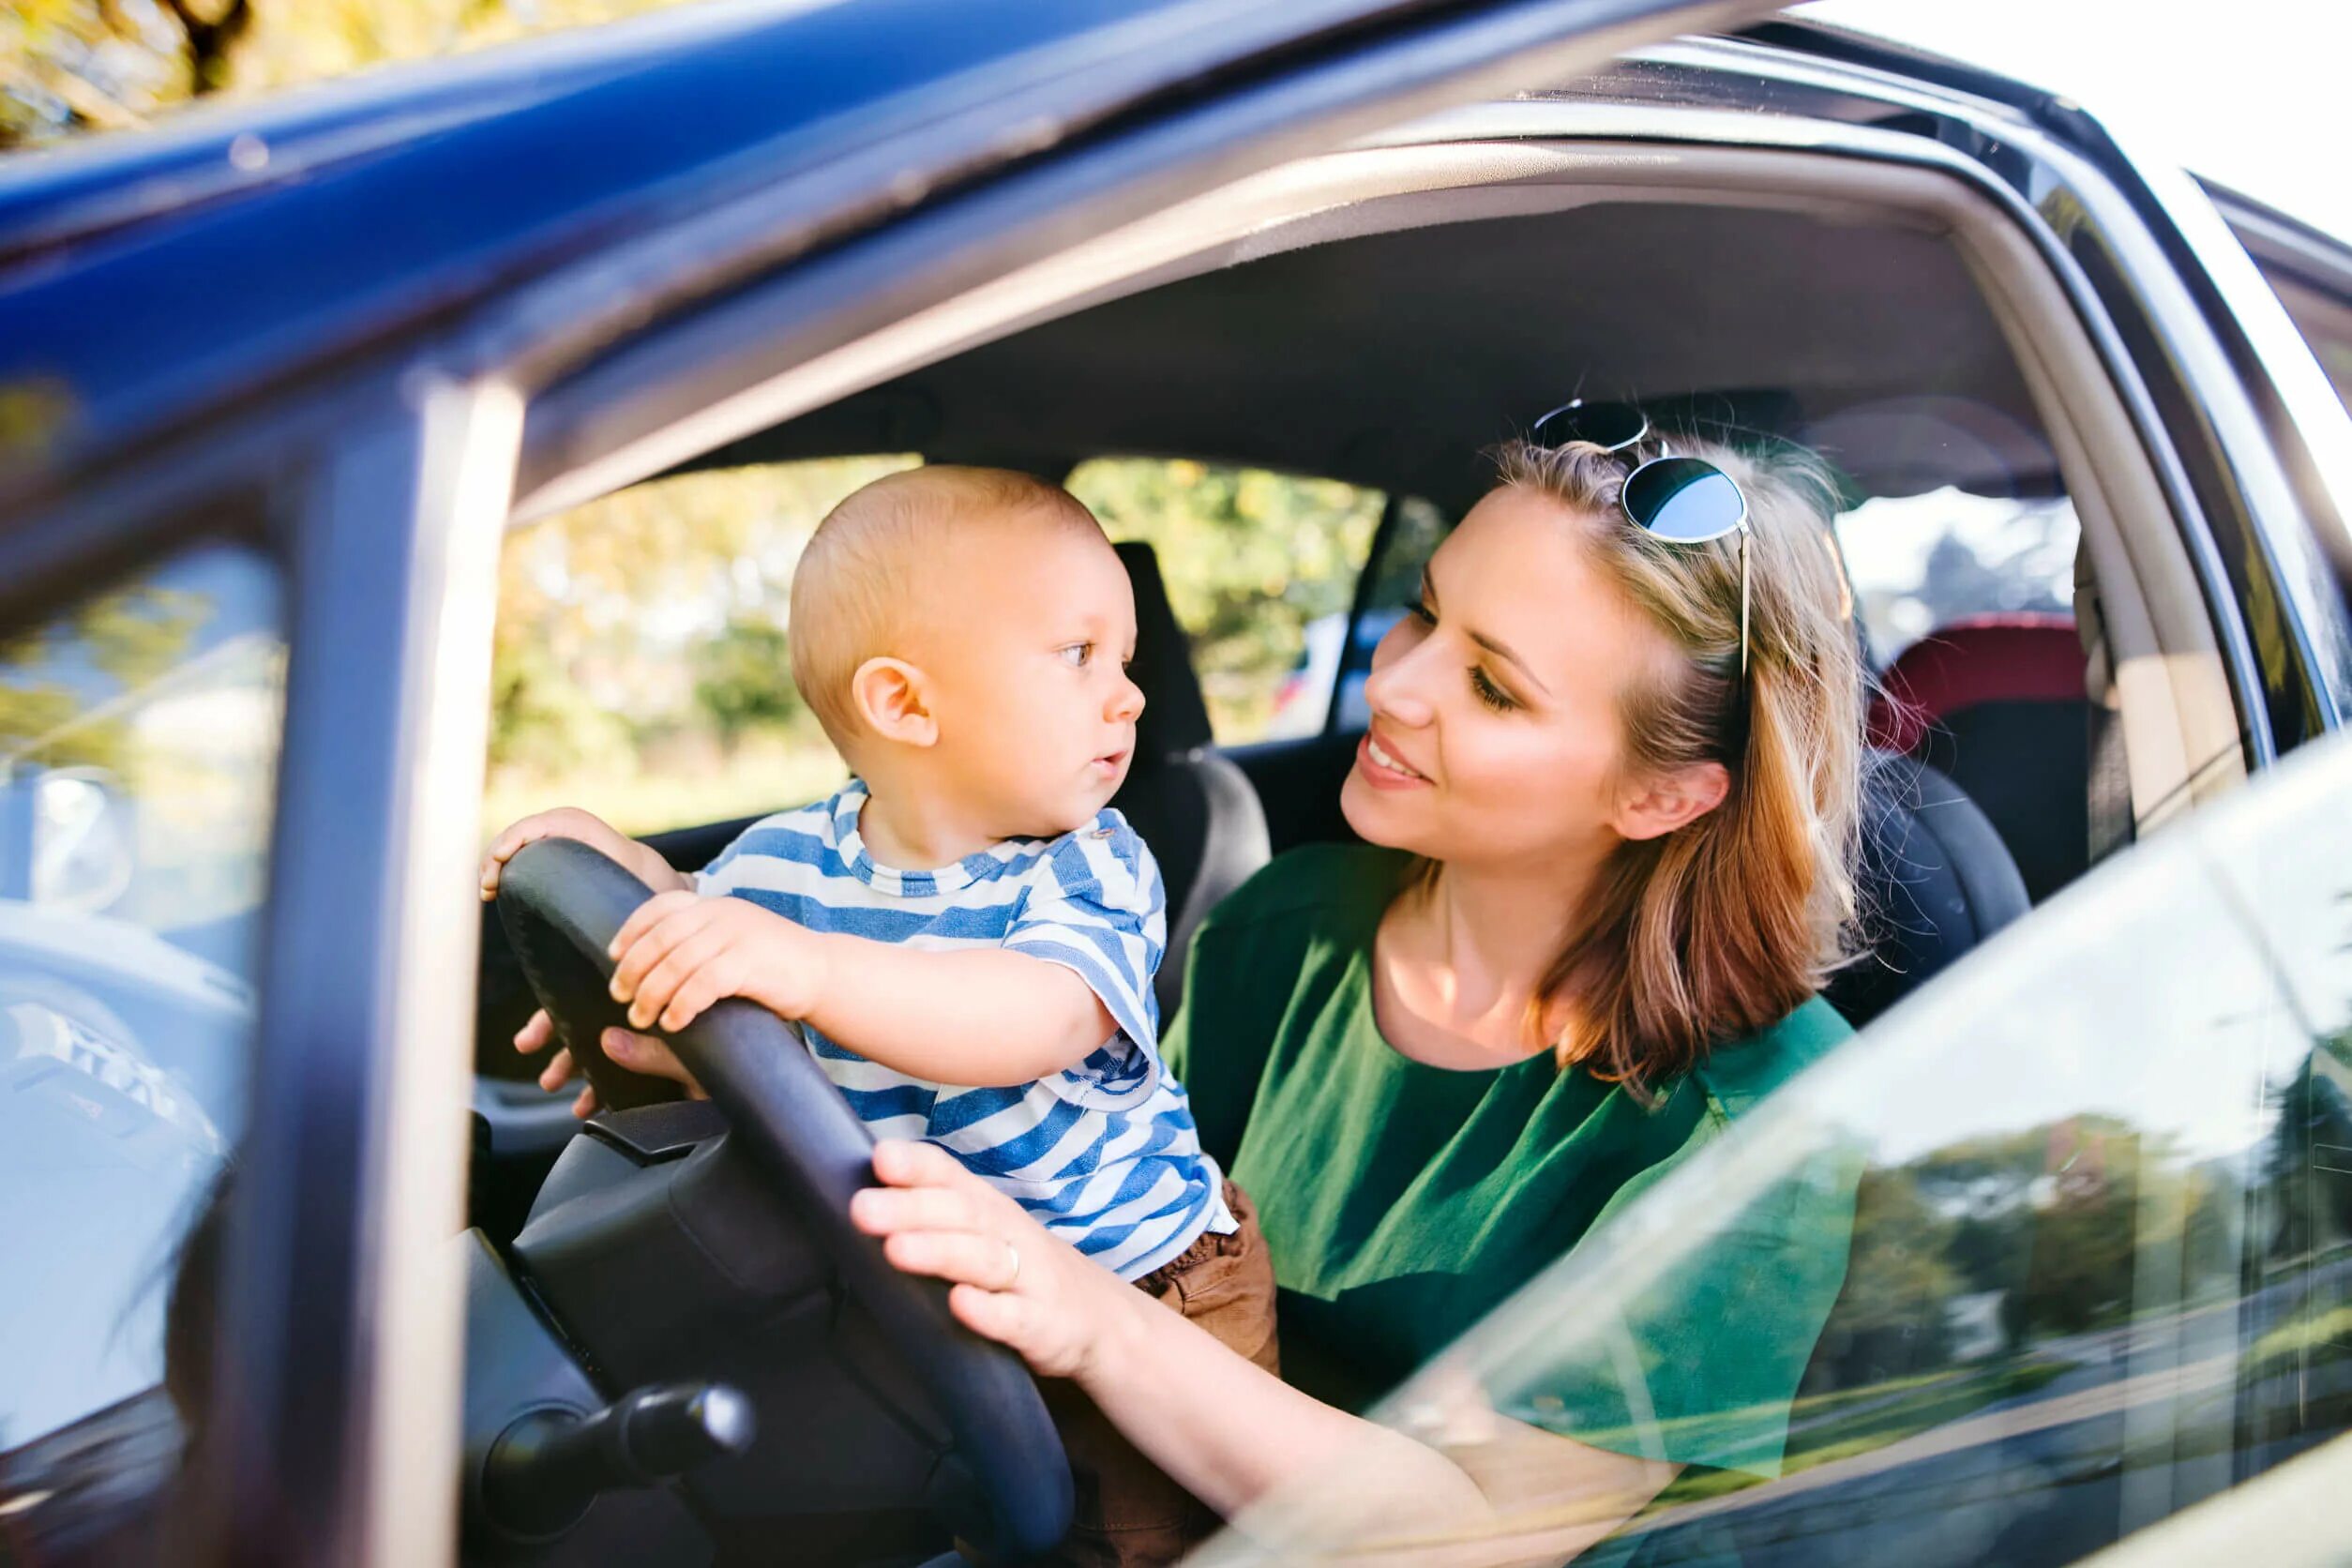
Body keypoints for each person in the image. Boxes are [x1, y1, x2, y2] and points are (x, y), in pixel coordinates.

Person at [829, 416, 1876, 1564]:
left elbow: (1474, 1533)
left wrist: (1089, 1321)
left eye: (1492, 685)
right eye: (1425, 611)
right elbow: (1121, 1216)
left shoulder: (1762, 1131)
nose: (1396, 680)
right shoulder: (1284, 932)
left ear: (1662, 797)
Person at [483, 466, 1277, 1568]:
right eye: (1079, 655)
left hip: (1149, 1288)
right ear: (905, 703)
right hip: (953, 1300)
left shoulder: (1090, 868)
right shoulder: (792, 861)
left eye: (1127, 659)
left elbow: (1036, 1017)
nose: (1129, 694)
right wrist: (600, 863)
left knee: (1149, 1549)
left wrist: (808, 971)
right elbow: (688, 917)